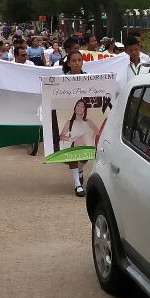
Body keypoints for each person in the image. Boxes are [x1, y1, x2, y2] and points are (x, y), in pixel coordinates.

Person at [59, 51, 93, 197]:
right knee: (73, 153)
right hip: (68, 114)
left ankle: (79, 170)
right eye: (74, 60)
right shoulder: (61, 79)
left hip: (85, 116)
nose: (77, 63)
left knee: (85, 154)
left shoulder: (89, 78)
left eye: (79, 60)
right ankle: (77, 185)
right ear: (68, 63)